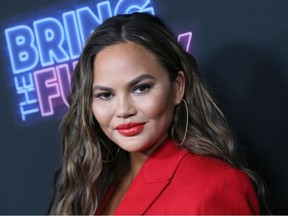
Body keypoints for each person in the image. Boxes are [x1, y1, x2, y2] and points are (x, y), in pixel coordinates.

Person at [48, 12, 270, 214]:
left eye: (141, 88)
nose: (123, 110)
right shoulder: (94, 186)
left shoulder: (215, 186)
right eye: (105, 95)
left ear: (177, 87)